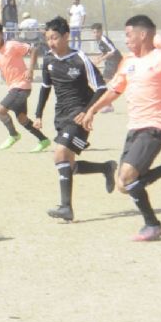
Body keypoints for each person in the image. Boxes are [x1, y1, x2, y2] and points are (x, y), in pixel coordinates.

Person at [80, 15, 161, 242]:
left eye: (129, 35)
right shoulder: (127, 62)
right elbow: (113, 91)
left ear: (143, 34)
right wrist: (92, 110)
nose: (126, 40)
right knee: (122, 185)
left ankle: (153, 225)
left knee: (127, 178)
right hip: (134, 129)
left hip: (154, 128)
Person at [33, 16, 116, 222]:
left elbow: (101, 88)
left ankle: (66, 208)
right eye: (48, 38)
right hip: (61, 116)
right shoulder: (49, 60)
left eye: (54, 38)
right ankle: (105, 167)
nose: (51, 42)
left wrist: (88, 111)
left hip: (80, 116)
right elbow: (45, 88)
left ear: (66, 36)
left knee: (60, 154)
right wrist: (38, 114)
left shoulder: (80, 58)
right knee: (67, 165)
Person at [0, 21, 51, 152]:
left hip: (22, 86)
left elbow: (34, 50)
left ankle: (14, 135)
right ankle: (43, 140)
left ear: (2, 34)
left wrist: (30, 70)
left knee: (0, 111)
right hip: (13, 87)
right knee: (22, 119)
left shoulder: (11, 45)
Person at [90, 23, 121, 113]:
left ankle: (108, 105)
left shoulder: (103, 39)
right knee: (104, 83)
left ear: (101, 31)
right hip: (110, 63)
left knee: (102, 83)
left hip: (114, 62)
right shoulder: (98, 40)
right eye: (94, 32)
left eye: (97, 32)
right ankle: (108, 105)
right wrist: (99, 57)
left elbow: (113, 51)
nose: (95, 34)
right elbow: (105, 52)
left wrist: (101, 59)